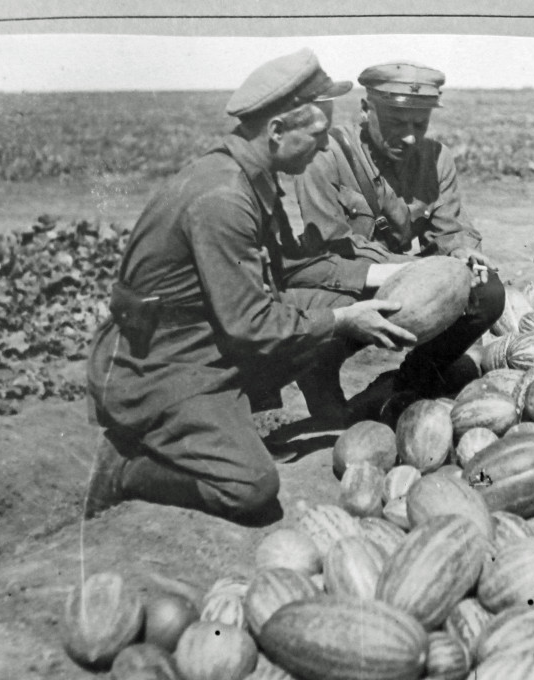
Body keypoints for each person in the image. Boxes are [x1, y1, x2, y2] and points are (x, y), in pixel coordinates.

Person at [84, 49, 416, 527]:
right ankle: (126, 470)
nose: (324, 149)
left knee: (332, 309)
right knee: (251, 489)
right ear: (277, 130)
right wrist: (342, 320)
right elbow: (250, 323)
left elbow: (287, 274)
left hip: (206, 334)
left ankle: (290, 414)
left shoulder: (252, 178)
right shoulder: (223, 198)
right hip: (163, 362)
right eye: (317, 135)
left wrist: (375, 279)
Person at [289, 60, 505, 419]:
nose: (409, 136)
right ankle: (319, 372)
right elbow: (329, 251)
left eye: (419, 124)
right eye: (395, 123)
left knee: (487, 292)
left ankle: (408, 381)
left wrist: (463, 250)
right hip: (347, 283)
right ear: (365, 109)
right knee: (313, 304)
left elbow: (451, 229)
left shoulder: (436, 159)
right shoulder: (323, 158)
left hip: (409, 283)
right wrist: (417, 270)